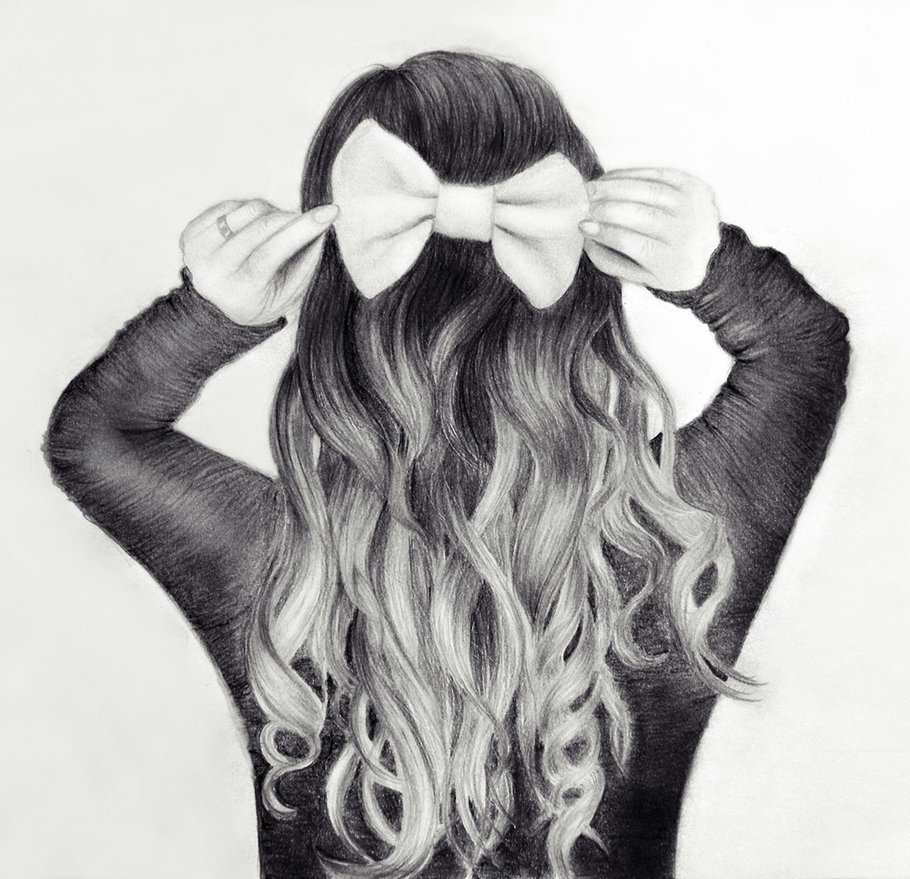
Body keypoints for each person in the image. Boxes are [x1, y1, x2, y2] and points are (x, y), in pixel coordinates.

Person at [43, 50, 850, 879]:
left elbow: (92, 437)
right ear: (587, 273)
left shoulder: (274, 563)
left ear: (329, 292)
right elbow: (805, 355)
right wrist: (712, 265)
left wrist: (210, 312)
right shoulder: (672, 546)